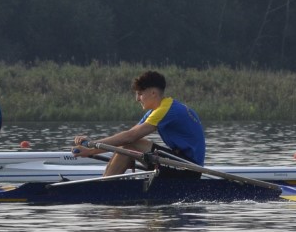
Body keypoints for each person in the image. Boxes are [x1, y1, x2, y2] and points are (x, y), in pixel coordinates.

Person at [74, 70, 205, 176]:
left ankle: (103, 188)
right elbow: (127, 135)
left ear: (153, 93)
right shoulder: (158, 109)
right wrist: (91, 150)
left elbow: (130, 137)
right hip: (178, 161)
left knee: (130, 144)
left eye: (140, 94)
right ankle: (106, 183)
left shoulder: (166, 110)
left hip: (189, 169)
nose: (137, 99)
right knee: (128, 145)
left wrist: (92, 147)